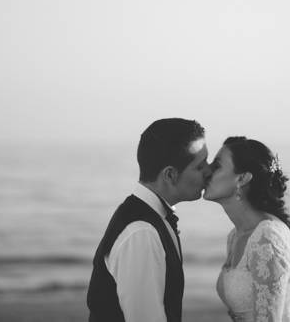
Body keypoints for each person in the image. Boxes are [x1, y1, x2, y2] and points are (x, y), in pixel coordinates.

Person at [87, 118, 212, 322]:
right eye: (200, 166)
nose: (209, 171)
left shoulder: (149, 218)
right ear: (170, 175)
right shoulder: (142, 233)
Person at [204, 137, 290, 322]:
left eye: (217, 165)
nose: (207, 171)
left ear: (242, 178)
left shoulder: (267, 237)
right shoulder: (236, 236)